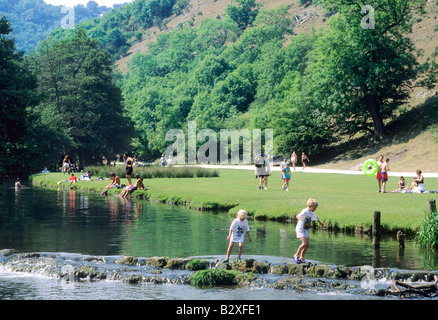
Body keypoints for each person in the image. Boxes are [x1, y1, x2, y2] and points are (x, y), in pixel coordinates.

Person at [293, 198, 324, 264]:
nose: (315, 209)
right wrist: (298, 218)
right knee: (304, 243)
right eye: (314, 208)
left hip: (305, 229)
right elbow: (297, 215)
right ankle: (296, 255)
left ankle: (301, 257)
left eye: (316, 208)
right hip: (300, 229)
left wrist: (320, 222)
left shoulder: (311, 212)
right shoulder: (305, 211)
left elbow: (316, 217)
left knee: (307, 244)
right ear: (310, 206)